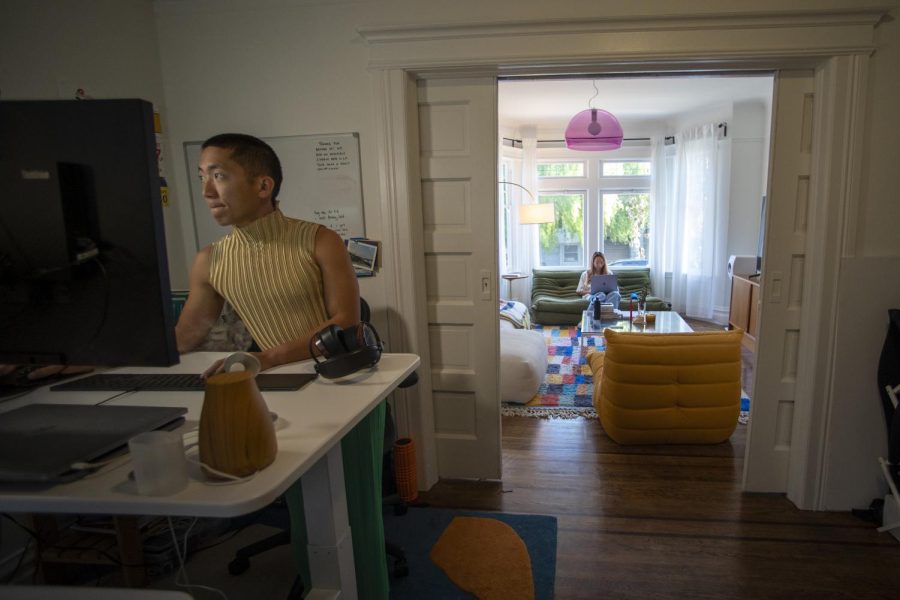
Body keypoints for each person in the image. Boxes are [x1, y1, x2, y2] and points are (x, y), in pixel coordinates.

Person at [175, 133, 387, 598]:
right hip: (279, 389)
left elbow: (344, 324)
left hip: (345, 385)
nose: (208, 190)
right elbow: (189, 331)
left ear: (263, 185)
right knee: (305, 507)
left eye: (220, 175)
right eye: (202, 177)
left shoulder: (320, 240)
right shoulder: (210, 260)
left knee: (349, 506)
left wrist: (264, 357)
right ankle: (320, 583)